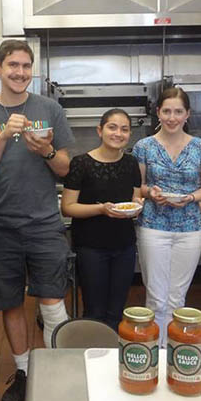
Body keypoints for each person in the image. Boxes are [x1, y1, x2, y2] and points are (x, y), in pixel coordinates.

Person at [0, 39, 74, 401]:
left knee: (52, 298)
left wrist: (43, 150)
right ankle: (25, 374)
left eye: (27, 66)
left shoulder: (50, 109)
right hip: (0, 227)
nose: (20, 72)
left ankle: (64, 371)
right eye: (13, 65)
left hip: (44, 223)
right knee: (10, 303)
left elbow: (64, 168)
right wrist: (3, 135)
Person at [132, 87, 201, 347]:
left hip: (189, 228)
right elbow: (139, 186)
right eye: (166, 111)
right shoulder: (144, 146)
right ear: (158, 112)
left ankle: (172, 350)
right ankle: (153, 352)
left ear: (187, 114)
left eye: (178, 111)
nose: (172, 117)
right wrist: (151, 192)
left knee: (177, 297)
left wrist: (190, 198)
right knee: (156, 297)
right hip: (153, 227)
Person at [61, 109, 142, 331]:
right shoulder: (81, 163)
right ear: (100, 130)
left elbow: (135, 198)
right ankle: (93, 358)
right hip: (91, 247)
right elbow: (67, 207)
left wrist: (137, 207)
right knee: (94, 311)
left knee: (116, 310)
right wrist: (101, 209)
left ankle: (112, 361)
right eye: (112, 127)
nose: (118, 133)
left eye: (124, 129)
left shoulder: (131, 163)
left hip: (124, 245)